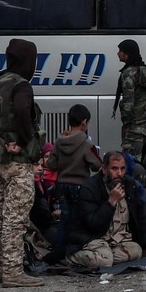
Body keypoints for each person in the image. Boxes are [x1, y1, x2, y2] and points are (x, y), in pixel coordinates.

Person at [0, 38, 46, 287]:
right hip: (16, 161)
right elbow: (22, 110)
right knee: (16, 218)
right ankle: (13, 272)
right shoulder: (22, 86)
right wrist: (24, 140)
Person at [65, 151, 146, 269]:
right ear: (104, 169)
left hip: (118, 240)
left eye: (122, 169)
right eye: (114, 169)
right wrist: (111, 202)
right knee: (104, 261)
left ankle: (105, 257)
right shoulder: (90, 188)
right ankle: (74, 257)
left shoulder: (129, 185)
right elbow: (93, 225)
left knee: (136, 250)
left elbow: (141, 218)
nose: (119, 174)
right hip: (93, 238)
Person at [45, 103, 102, 262]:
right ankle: (75, 251)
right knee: (79, 220)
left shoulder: (59, 140)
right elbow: (97, 165)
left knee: (64, 219)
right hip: (80, 186)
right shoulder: (86, 143)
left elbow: (51, 164)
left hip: (61, 185)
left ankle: (59, 250)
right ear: (84, 122)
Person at [113, 39, 146, 158]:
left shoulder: (129, 73)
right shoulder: (143, 69)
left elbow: (128, 101)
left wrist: (126, 123)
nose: (118, 53)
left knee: (130, 160)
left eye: (120, 51)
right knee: (139, 157)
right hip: (144, 122)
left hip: (134, 125)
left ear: (127, 53)